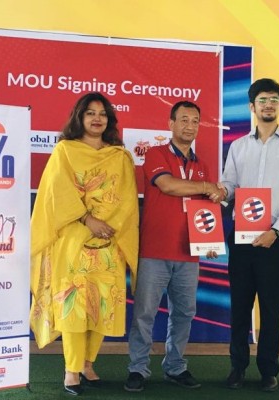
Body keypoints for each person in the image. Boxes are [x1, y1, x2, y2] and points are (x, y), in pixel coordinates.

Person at [29, 92, 140, 396]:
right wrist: (88, 220)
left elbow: (127, 199)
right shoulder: (64, 151)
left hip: (109, 240)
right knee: (74, 305)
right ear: (79, 117)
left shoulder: (119, 156)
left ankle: (89, 364)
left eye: (102, 113)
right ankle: (71, 369)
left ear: (109, 119)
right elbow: (58, 193)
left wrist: (107, 225)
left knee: (103, 305)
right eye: (90, 113)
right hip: (73, 240)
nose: (97, 118)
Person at [124, 101, 226, 392]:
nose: (189, 126)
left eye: (195, 121)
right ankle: (138, 369)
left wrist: (209, 239)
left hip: (189, 254)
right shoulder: (155, 154)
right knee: (144, 313)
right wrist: (207, 187)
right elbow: (168, 185)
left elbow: (206, 211)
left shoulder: (202, 165)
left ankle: (175, 366)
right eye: (183, 120)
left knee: (184, 313)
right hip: (155, 250)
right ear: (171, 124)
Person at [220, 78, 279, 392]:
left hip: (273, 240)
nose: (268, 105)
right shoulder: (238, 146)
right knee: (240, 306)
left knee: (271, 308)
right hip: (241, 239)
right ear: (252, 106)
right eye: (262, 100)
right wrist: (220, 192)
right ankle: (237, 367)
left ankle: (269, 370)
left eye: (273, 100)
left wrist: (276, 230)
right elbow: (230, 185)